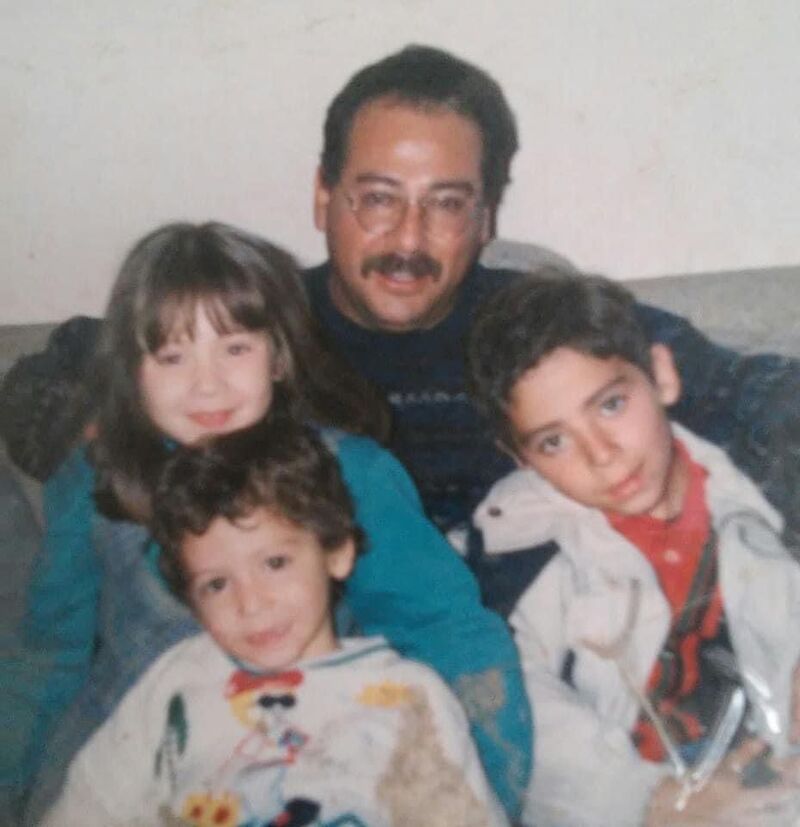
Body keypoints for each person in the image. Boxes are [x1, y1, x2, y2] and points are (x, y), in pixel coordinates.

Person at [14, 222, 530, 825]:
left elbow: (446, 631)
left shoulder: (351, 471)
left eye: (235, 348)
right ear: (132, 373)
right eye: (173, 356)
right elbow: (44, 654)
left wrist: (486, 790)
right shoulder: (96, 476)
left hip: (308, 760)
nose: (207, 383)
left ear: (279, 356)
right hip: (131, 772)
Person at [305, 44, 800, 613]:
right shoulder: (248, 341)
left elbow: (754, 395)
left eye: (447, 204)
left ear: (485, 217)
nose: (409, 239)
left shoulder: (536, 322)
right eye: (377, 199)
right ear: (323, 196)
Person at [41, 419, 509, 827]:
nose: (251, 604)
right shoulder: (176, 683)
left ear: (336, 551)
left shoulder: (407, 695)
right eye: (217, 584)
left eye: (275, 563)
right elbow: (87, 809)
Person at [467, 270, 800, 826]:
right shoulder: (516, 551)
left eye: (611, 405)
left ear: (661, 375)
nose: (601, 454)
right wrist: (649, 799)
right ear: (521, 459)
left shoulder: (763, 485)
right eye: (555, 441)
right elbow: (513, 705)